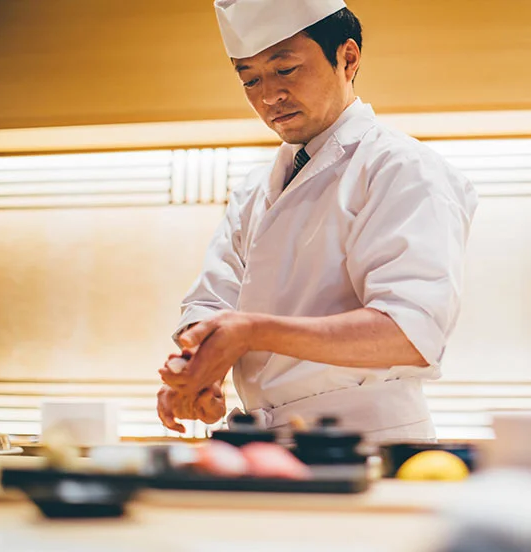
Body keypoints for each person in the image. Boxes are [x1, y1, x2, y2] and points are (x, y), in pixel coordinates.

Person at [157, 0, 477, 443]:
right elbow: (211, 303)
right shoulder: (253, 188)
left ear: (347, 59)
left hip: (369, 443)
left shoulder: (403, 167)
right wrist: (198, 366)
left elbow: (409, 333)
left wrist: (249, 333)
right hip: (264, 442)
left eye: (285, 69)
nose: (268, 96)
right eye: (249, 79)